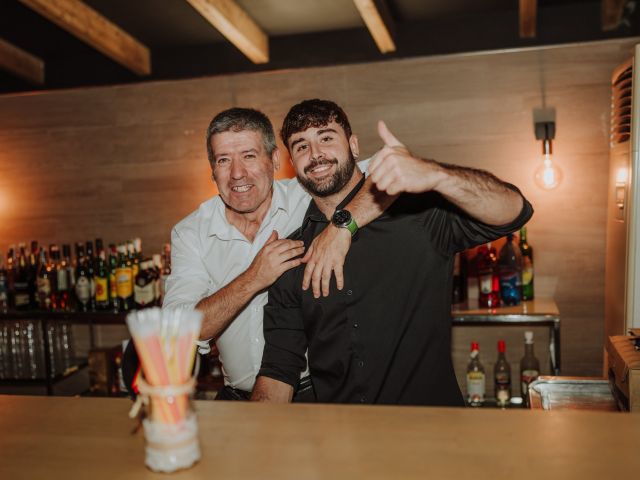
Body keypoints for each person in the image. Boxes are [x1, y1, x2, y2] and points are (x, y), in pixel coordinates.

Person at [252, 99, 534, 405]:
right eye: (301, 146)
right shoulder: (293, 256)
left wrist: (437, 175)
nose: (316, 154)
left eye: (326, 137)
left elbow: (514, 210)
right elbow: (279, 370)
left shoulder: (420, 216)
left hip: (432, 433)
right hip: (341, 441)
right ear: (293, 163)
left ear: (354, 146)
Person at [159, 107, 390, 400]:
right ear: (212, 170)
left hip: (315, 393)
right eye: (223, 160)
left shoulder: (309, 192)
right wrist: (254, 277)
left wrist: (340, 228)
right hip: (237, 398)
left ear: (275, 161)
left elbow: (390, 167)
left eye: (249, 156)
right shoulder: (191, 232)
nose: (237, 173)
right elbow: (176, 332)